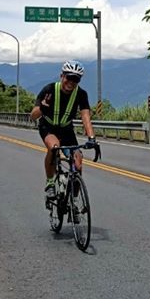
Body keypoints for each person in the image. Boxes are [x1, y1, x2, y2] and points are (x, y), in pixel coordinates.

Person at [30, 61, 97, 204]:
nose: (71, 82)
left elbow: (85, 117)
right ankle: (50, 183)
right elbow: (33, 116)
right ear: (62, 76)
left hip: (66, 129)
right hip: (48, 127)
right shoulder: (49, 90)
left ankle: (74, 200)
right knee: (54, 148)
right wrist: (42, 107)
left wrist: (92, 138)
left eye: (76, 79)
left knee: (78, 165)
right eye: (68, 77)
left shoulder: (81, 94)